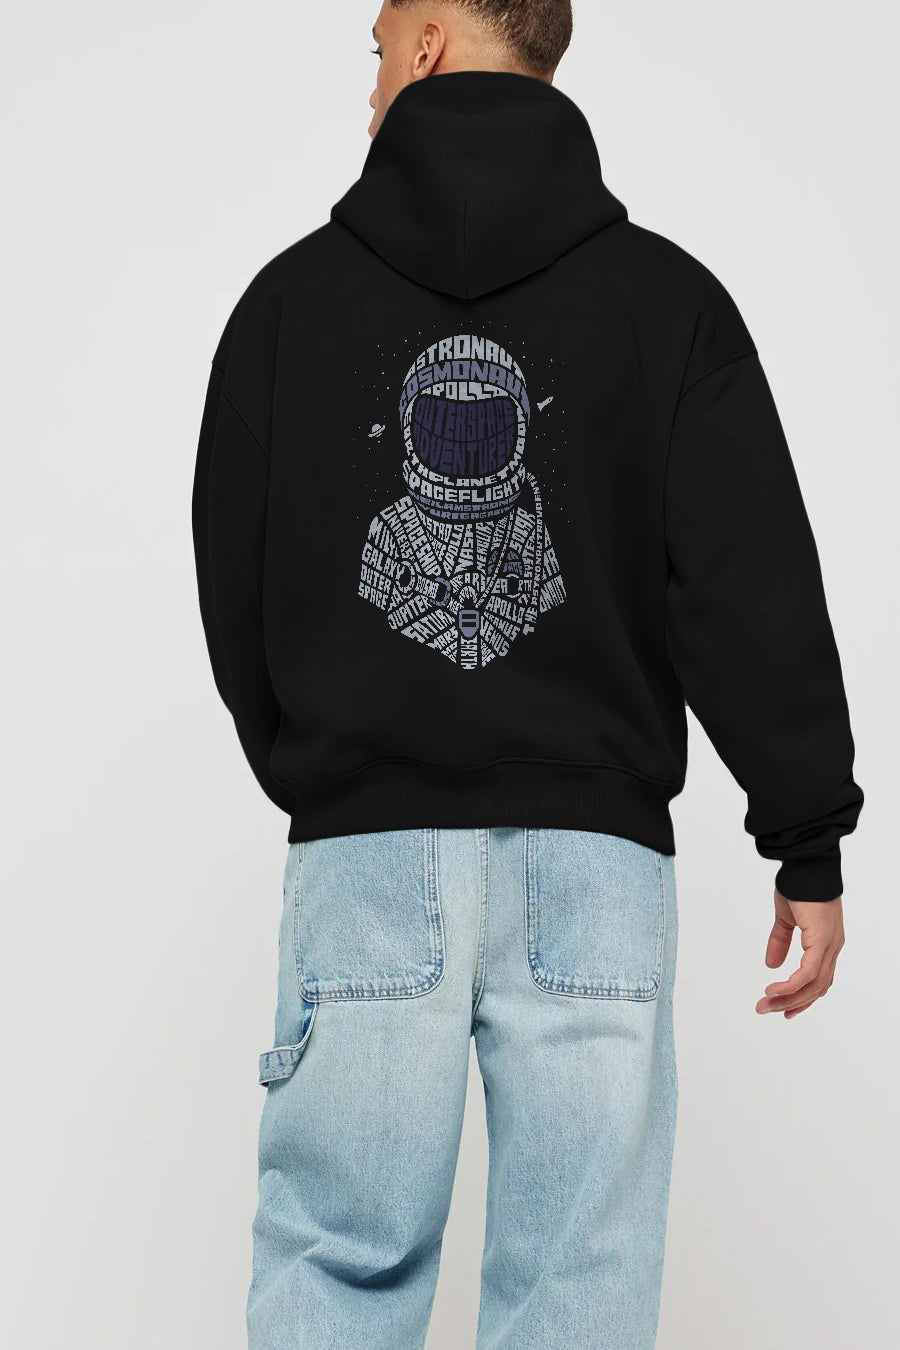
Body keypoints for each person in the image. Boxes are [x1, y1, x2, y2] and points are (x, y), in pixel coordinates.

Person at [191, 3, 863, 1346]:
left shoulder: (287, 305)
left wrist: (336, 768)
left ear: (432, 41)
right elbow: (747, 581)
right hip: (594, 870)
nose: (371, 73)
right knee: (578, 1292)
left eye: (380, 42)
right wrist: (807, 835)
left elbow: (234, 580)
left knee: (336, 1267)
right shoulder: (668, 304)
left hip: (366, 857)